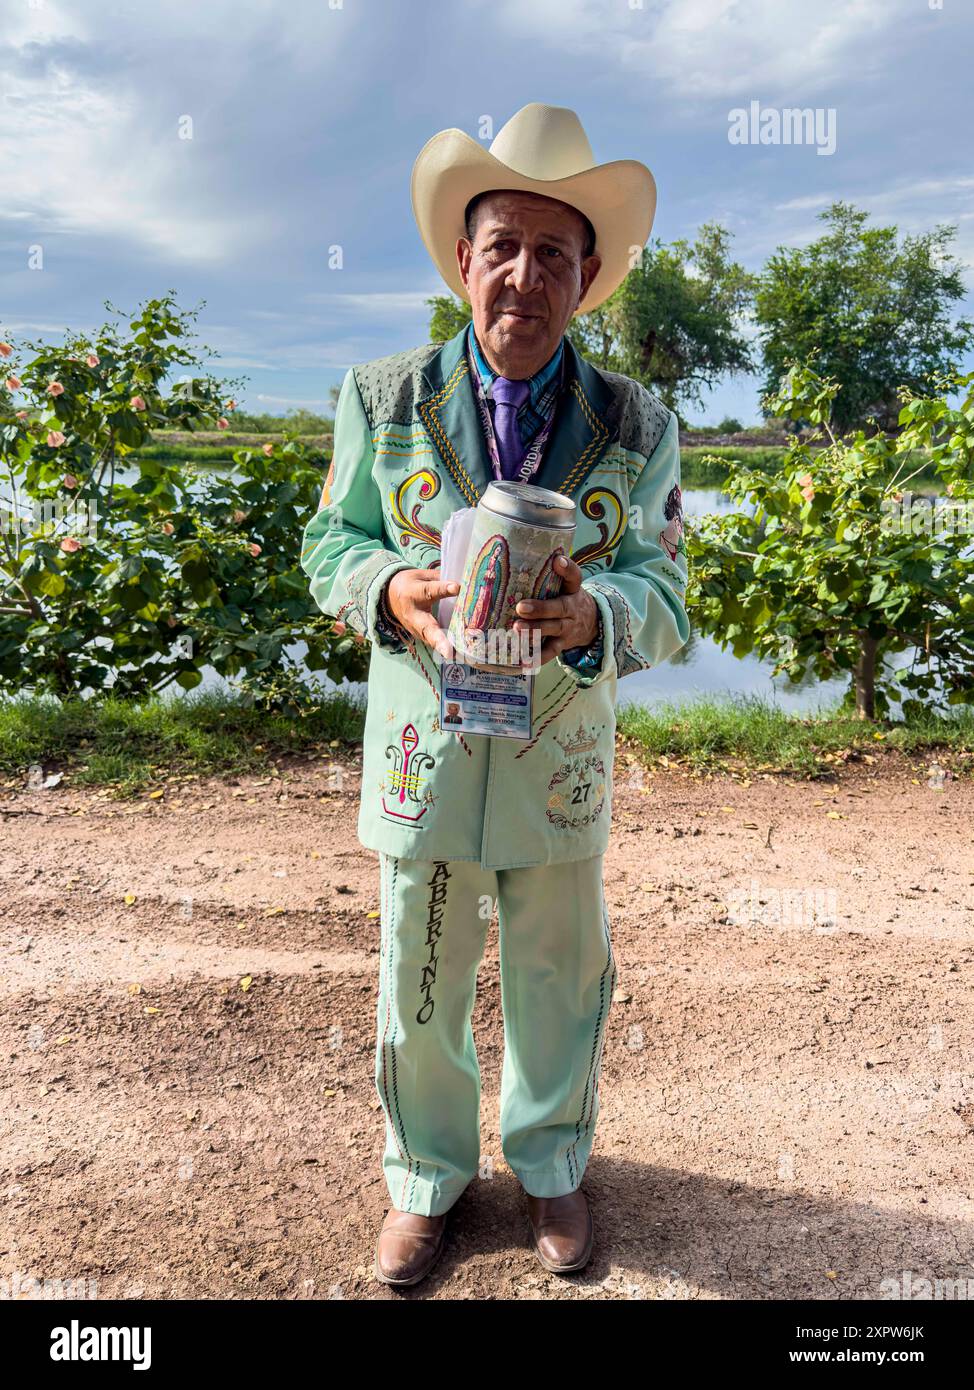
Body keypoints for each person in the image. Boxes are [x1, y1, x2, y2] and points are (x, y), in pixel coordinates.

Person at [300, 102, 690, 1288]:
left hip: (557, 757)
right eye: (502, 247)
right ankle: (424, 1179)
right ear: (462, 261)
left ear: (587, 279)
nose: (524, 276)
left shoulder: (636, 423)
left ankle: (551, 1165)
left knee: (560, 971)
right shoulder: (380, 400)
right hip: (423, 750)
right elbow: (328, 543)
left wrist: (596, 615)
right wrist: (390, 585)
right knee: (418, 980)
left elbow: (666, 593)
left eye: (554, 254)